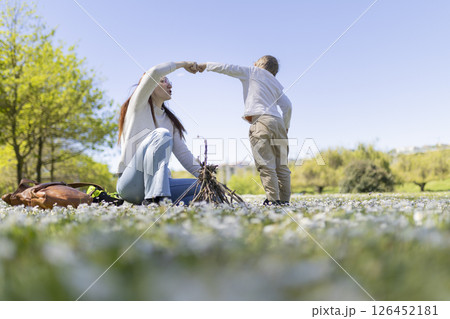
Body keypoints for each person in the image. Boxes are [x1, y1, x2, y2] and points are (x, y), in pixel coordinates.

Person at [198, 56, 292, 205]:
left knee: (266, 164)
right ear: (274, 73)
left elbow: (227, 67)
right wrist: (285, 126)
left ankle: (273, 201)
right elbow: (288, 106)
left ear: (255, 64)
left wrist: (206, 65)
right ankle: (285, 200)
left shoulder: (251, 72)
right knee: (282, 165)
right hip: (278, 122)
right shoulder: (275, 83)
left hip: (261, 122)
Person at [116, 61, 201, 205]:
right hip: (132, 183)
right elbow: (154, 71)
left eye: (169, 82)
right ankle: (156, 201)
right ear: (150, 86)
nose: (170, 85)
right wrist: (183, 64)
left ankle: (164, 204)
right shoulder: (138, 105)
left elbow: (184, 155)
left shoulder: (170, 122)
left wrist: (208, 177)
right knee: (161, 134)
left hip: (164, 185)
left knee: (204, 189)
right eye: (163, 81)